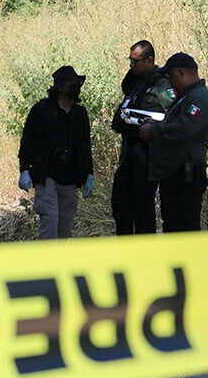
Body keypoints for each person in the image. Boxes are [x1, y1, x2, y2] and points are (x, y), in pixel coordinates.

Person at [138, 52, 208, 232]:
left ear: (180, 73)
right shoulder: (186, 96)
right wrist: (156, 124)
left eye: (171, 77)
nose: (170, 82)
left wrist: (153, 131)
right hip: (174, 174)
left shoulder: (200, 98)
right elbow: (174, 123)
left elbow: (184, 128)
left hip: (184, 176)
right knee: (173, 224)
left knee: (183, 227)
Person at [18, 65, 94, 239]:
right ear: (60, 86)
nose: (75, 87)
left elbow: (85, 145)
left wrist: (89, 175)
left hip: (71, 179)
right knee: (49, 226)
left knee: (64, 230)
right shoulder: (41, 111)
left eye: (77, 82)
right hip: (47, 177)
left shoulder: (80, 113)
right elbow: (27, 142)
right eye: (70, 83)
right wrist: (25, 170)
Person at [110, 40, 176, 235]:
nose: (131, 65)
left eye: (135, 61)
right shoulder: (135, 83)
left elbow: (173, 115)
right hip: (129, 152)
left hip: (147, 154)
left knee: (142, 207)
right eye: (130, 60)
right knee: (120, 202)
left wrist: (153, 125)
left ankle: (144, 252)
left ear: (149, 60)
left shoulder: (162, 85)